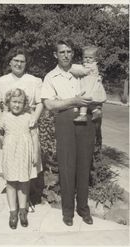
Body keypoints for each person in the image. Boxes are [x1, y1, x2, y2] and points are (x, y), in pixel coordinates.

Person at [41, 39, 103, 226]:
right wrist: (73, 101)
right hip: (65, 120)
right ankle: (67, 211)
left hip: (87, 121)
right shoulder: (51, 77)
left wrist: (98, 106)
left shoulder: (83, 69)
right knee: (67, 166)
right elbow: (50, 104)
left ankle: (83, 208)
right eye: (62, 52)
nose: (66, 55)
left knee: (85, 164)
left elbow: (96, 89)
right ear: (55, 55)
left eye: (69, 51)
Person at [0, 47, 43, 173]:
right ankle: (10, 188)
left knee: (27, 164)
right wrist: (3, 122)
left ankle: (25, 190)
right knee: (8, 165)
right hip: (8, 127)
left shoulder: (34, 81)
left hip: (27, 126)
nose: (18, 64)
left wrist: (33, 119)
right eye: (15, 60)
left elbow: (40, 103)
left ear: (26, 63)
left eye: (22, 61)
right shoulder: (0, 81)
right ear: (10, 62)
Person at [0, 88, 40, 229]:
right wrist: (5, 141)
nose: (17, 105)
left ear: (24, 103)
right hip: (10, 153)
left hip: (24, 153)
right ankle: (13, 212)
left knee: (24, 182)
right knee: (11, 182)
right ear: (8, 102)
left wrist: (35, 154)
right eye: (14, 101)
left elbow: (34, 136)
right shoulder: (4, 116)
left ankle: (22, 212)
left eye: (20, 102)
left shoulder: (29, 117)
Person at [69, 45, 107, 122]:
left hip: (89, 86)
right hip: (91, 86)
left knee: (84, 100)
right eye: (85, 57)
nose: (87, 59)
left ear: (95, 59)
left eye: (90, 58)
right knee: (90, 102)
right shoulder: (92, 65)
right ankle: (96, 111)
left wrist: (72, 71)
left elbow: (82, 72)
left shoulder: (90, 66)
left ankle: (82, 115)